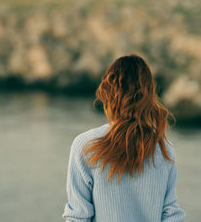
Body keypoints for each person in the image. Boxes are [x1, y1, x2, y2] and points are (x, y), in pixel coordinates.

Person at [62, 54, 186, 222]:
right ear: (148, 96)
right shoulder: (164, 149)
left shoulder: (85, 146)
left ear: (107, 94)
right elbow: (171, 215)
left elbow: (78, 218)